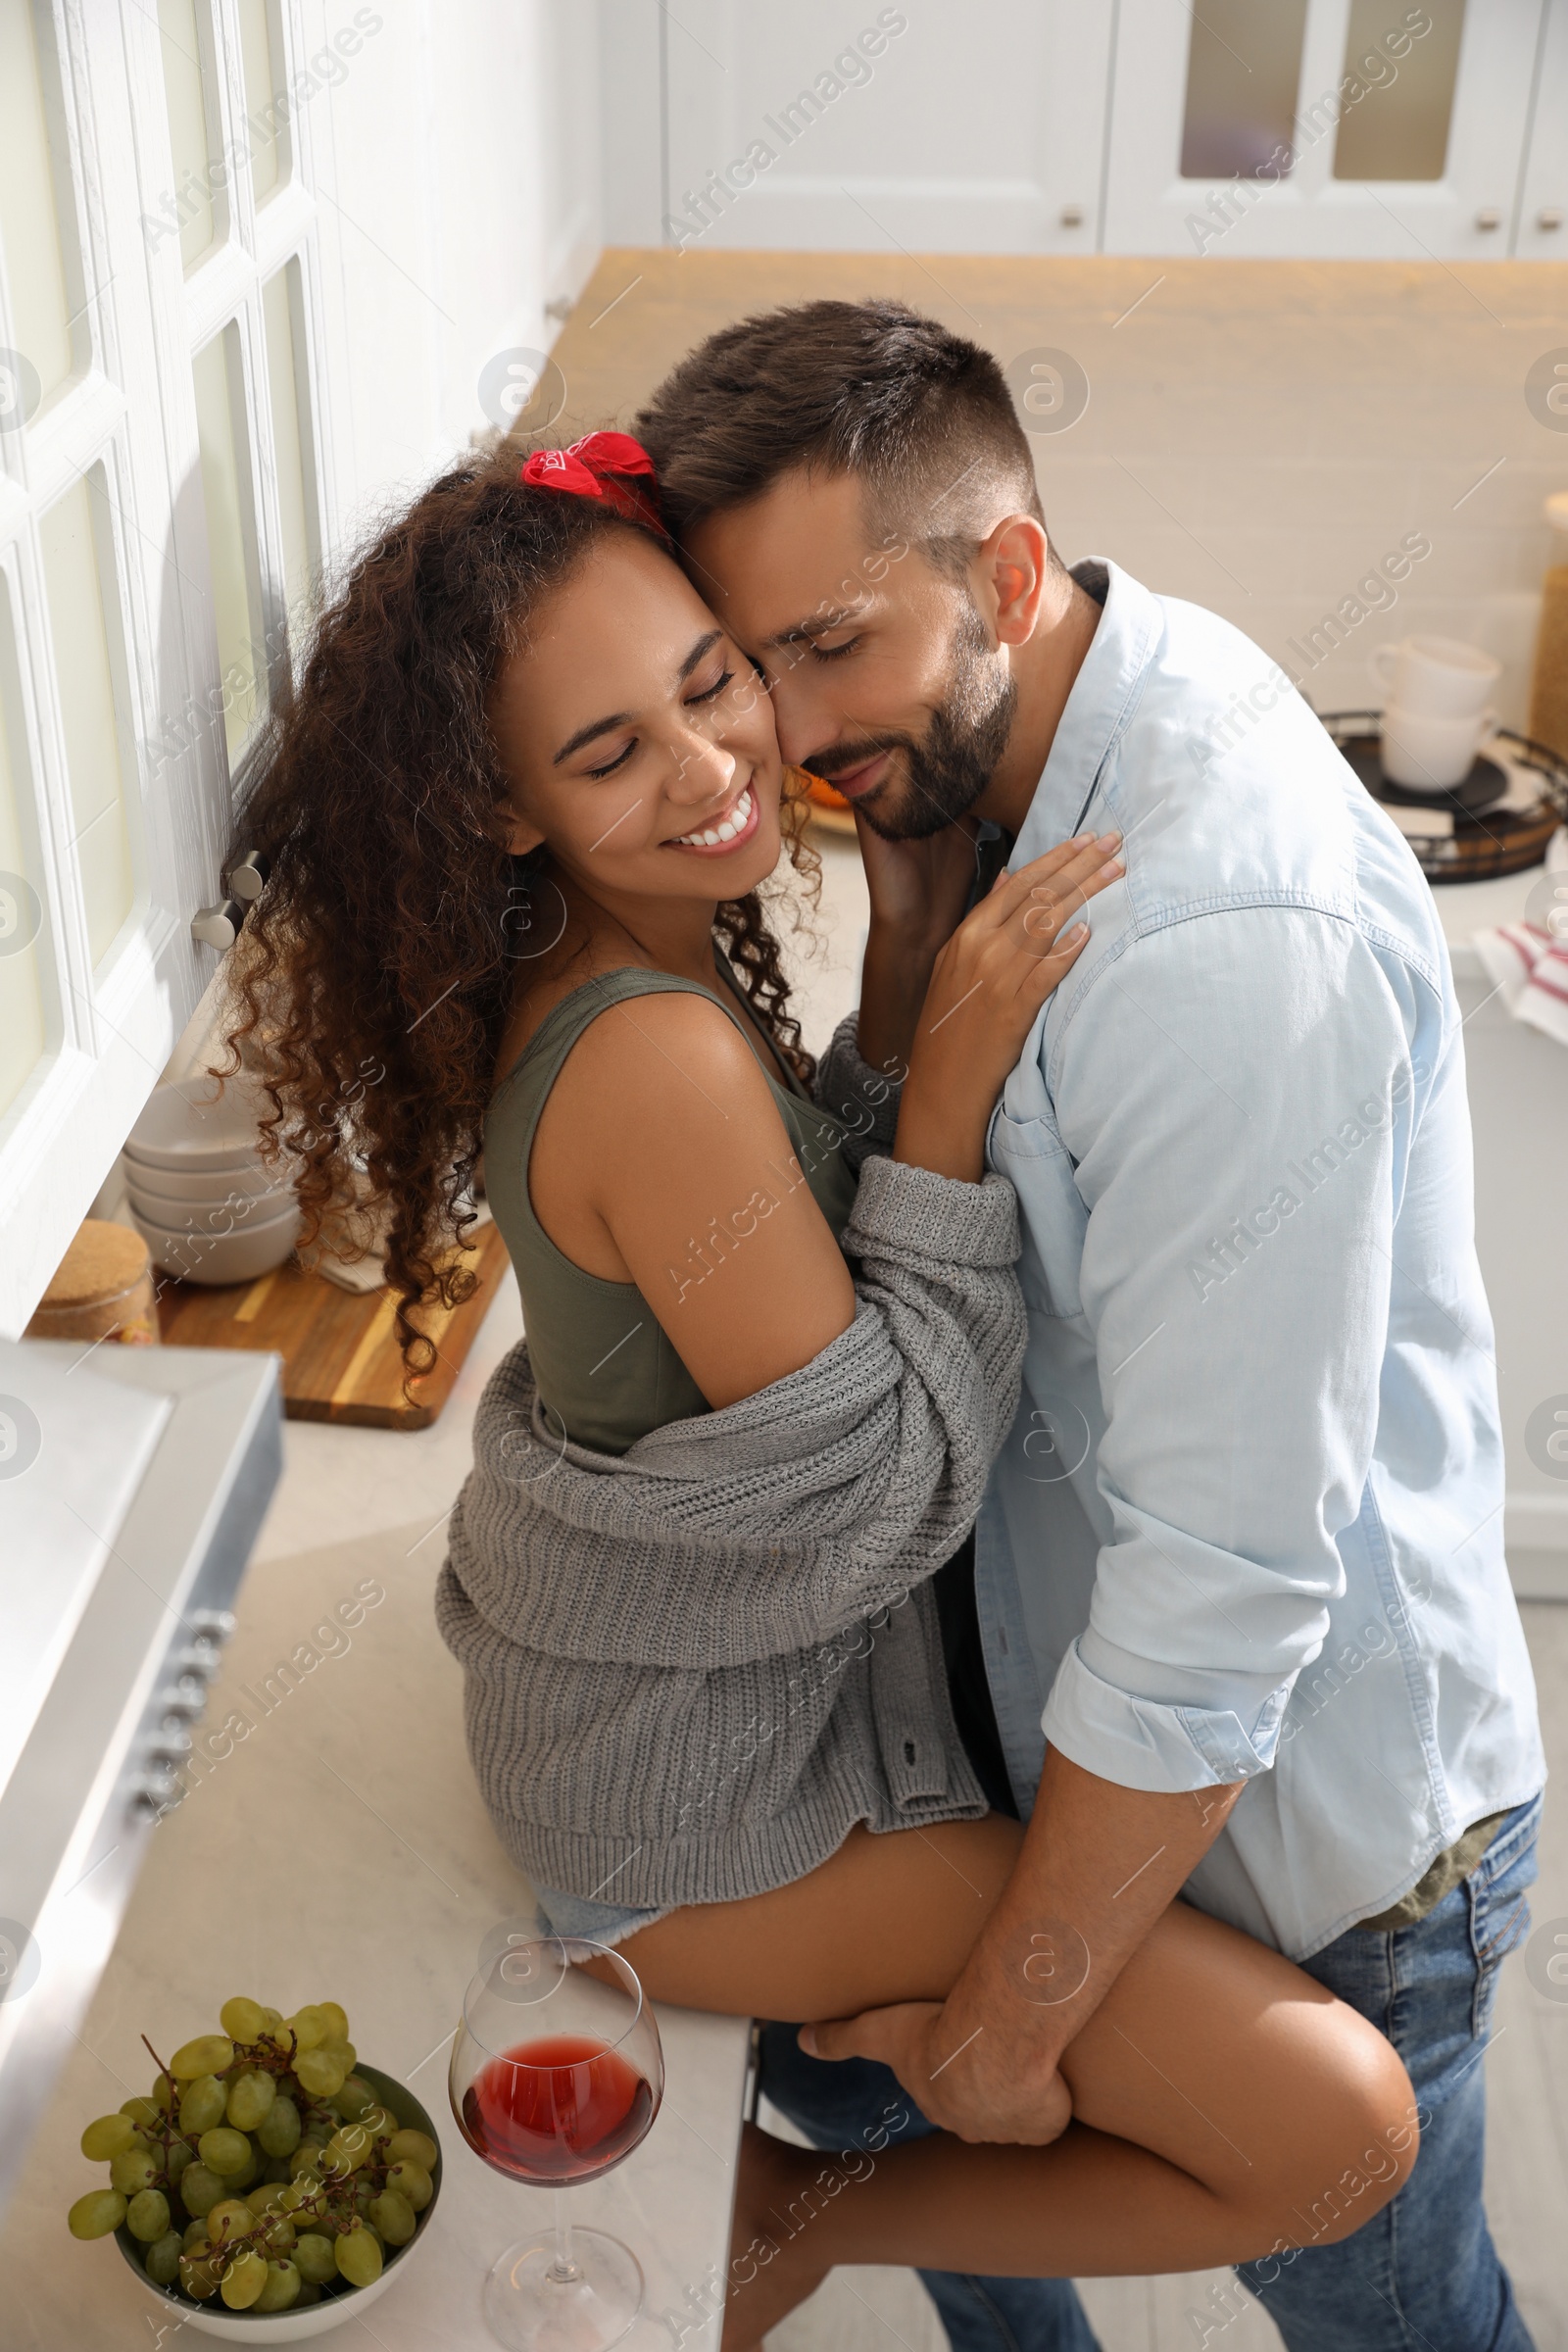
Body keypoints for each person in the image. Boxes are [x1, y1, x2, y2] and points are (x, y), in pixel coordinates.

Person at [225, 433, 1416, 2348]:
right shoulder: (659, 1061)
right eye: (608, 753)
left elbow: (777, 1266)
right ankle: (780, 2227)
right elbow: (878, 1482)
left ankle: (806, 2194)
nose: (706, 771)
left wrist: (889, 968)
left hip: (640, 1746)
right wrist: (940, 1090)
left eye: (709, 685)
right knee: (1336, 2132)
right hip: (696, 1827)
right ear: (509, 810)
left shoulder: (623, 983)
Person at [633, 298, 1548, 2352]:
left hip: (1314, 1861)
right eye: (739, 662)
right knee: (966, 2247)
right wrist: (894, 940)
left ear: (1006, 575)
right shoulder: (1004, 739)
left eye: (827, 648)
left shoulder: (1216, 948)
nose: (776, 731)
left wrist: (1010, 2010)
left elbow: (1225, 1586)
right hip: (1038, 1767)